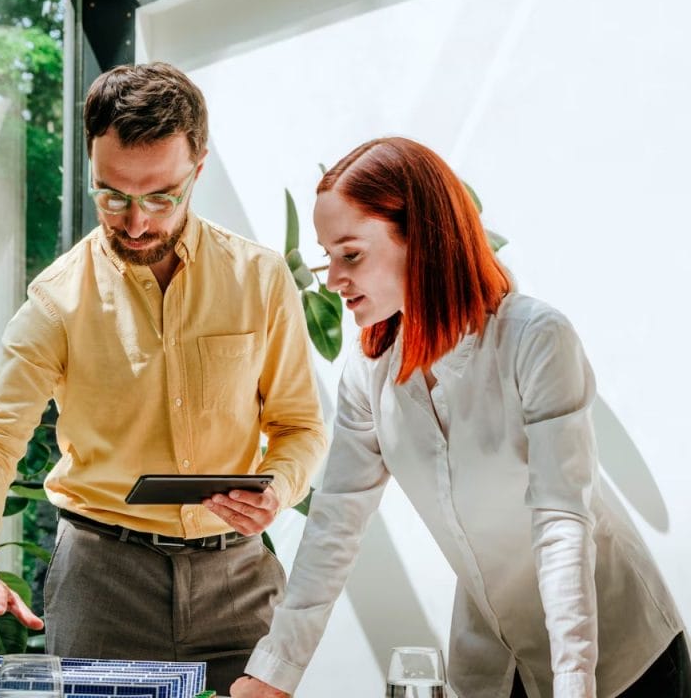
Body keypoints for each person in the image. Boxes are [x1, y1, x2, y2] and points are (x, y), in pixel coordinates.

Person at [0, 62, 328, 695]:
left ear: (199, 168)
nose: (136, 223)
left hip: (241, 584)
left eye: (161, 196)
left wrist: (278, 485)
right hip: (102, 587)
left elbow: (299, 426)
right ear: (91, 166)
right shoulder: (58, 299)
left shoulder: (261, 280)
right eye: (112, 195)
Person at [233, 137, 687, 698]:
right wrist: (271, 677)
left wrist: (575, 686)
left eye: (351, 254)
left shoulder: (534, 339)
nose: (332, 280)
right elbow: (335, 523)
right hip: (494, 665)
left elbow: (561, 524)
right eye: (329, 257)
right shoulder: (371, 370)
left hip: (617, 662)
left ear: (418, 239)